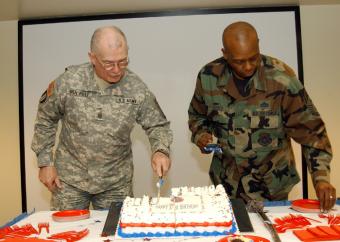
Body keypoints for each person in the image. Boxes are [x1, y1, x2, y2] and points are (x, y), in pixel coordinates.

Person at [188, 21, 336, 211]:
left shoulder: (282, 79)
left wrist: (321, 179)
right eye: (239, 61)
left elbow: (313, 134)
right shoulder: (208, 77)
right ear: (225, 54)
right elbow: (197, 116)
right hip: (227, 184)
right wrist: (201, 135)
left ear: (258, 45)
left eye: (253, 58)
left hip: (272, 187)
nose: (248, 67)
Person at [31, 26, 173, 210]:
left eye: (123, 62)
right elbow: (45, 119)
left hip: (115, 183)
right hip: (69, 180)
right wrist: (45, 163)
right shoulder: (69, 81)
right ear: (92, 58)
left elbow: (158, 125)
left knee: (114, 236)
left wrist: (160, 150)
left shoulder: (136, 87)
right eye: (108, 63)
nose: (116, 70)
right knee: (67, 234)